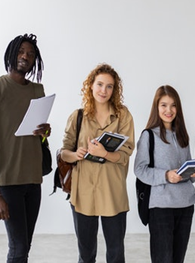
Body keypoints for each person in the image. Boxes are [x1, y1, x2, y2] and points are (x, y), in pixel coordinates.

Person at [0, 33, 50, 263]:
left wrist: (45, 132)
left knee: (23, 247)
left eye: (30, 54)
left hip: (33, 180)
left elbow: (40, 138)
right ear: (11, 53)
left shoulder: (38, 90)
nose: (25, 56)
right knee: (18, 249)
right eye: (20, 51)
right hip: (8, 183)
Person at [60, 63, 135, 263]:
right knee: (85, 255)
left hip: (112, 192)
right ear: (91, 85)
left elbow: (126, 154)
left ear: (114, 90)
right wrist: (75, 154)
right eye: (100, 84)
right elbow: (64, 152)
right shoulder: (77, 116)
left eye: (109, 86)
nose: (104, 90)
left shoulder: (123, 115)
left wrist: (104, 154)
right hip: (82, 193)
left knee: (116, 254)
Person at [134, 85, 195, 263]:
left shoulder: (182, 136)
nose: (169, 110)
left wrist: (194, 173)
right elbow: (139, 170)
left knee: (178, 259)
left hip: (186, 205)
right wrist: (166, 175)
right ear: (156, 107)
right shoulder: (148, 136)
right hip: (161, 207)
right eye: (163, 105)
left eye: (173, 105)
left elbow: (185, 173)